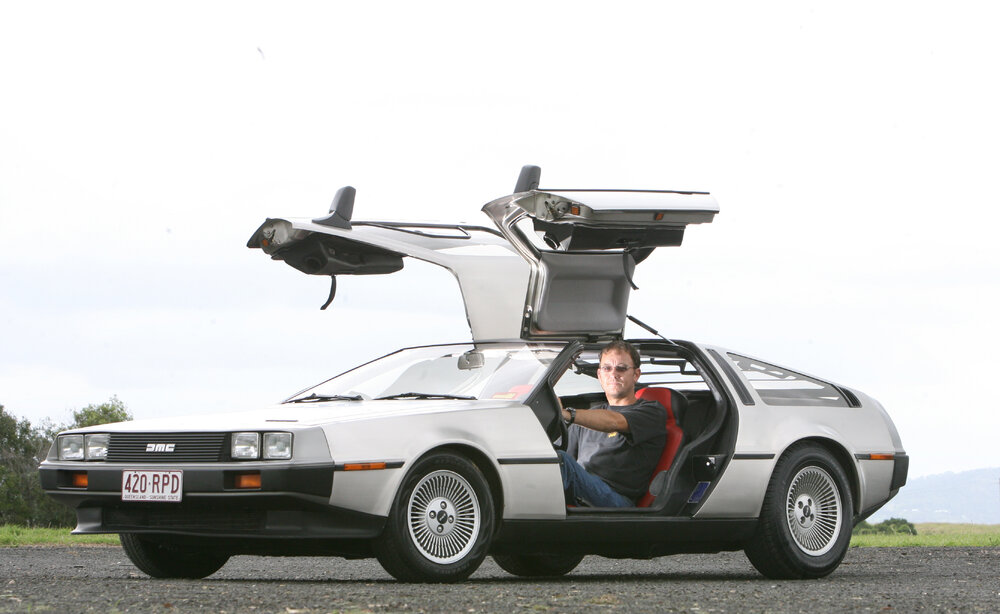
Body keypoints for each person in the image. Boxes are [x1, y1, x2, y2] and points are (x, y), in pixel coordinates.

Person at [558, 340, 667, 507]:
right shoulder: (589, 415)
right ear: (599, 375)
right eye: (607, 368)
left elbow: (614, 421)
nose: (613, 374)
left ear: (636, 375)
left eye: (621, 368)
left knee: (561, 461)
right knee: (547, 460)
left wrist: (567, 414)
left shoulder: (651, 411)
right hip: (580, 491)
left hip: (617, 501)